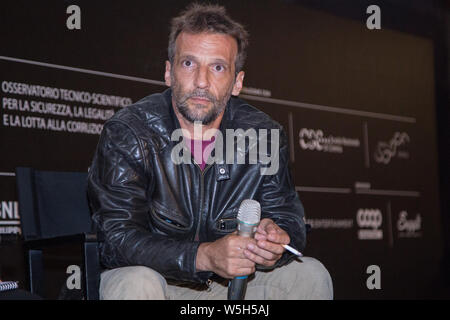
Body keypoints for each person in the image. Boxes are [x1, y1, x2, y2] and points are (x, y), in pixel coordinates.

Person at [87, 3, 333, 300]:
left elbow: (287, 216)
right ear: (169, 73)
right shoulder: (129, 132)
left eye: (217, 67)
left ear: (237, 82)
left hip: (226, 285)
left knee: (309, 275)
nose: (202, 81)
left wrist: (275, 240)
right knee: (137, 282)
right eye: (189, 64)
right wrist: (203, 256)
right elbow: (116, 240)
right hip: (154, 279)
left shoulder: (263, 136)